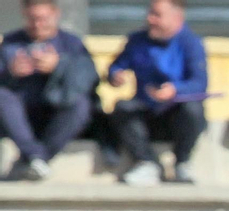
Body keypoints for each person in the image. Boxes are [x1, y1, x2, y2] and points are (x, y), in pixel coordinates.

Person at [105, 0, 206, 185]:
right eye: (150, 13)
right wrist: (116, 76)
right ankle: (147, 163)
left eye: (157, 15)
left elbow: (199, 83)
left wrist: (175, 90)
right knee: (122, 108)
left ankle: (182, 163)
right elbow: (115, 67)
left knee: (193, 109)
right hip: (147, 112)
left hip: (175, 115)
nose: (150, 19)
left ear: (177, 18)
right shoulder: (137, 41)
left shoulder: (191, 43)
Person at [0, 0, 96, 181]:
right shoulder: (11, 42)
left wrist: (59, 66)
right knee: (2, 97)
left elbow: (88, 80)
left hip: (56, 113)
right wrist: (9, 72)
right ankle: (36, 157)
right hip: (21, 117)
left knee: (81, 105)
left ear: (55, 15)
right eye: (32, 19)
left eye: (43, 19)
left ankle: (35, 158)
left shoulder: (71, 43)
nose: (37, 25)